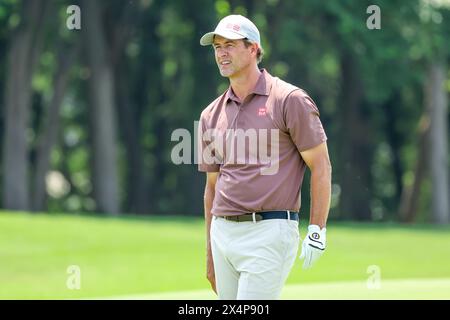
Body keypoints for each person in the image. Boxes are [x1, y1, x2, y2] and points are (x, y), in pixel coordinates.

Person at [197, 14, 332, 300]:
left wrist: (317, 228)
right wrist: (210, 253)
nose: (221, 52)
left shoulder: (288, 100)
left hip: (269, 232)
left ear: (254, 49)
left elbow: (320, 165)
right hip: (222, 233)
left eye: (230, 45)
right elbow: (212, 187)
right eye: (217, 46)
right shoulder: (211, 114)